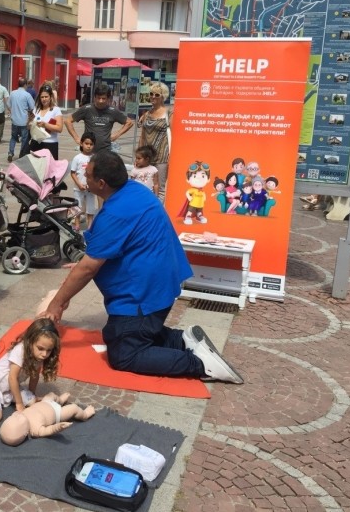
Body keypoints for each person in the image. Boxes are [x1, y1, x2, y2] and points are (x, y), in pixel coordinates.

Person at [38, 150, 244, 384]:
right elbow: (113, 248)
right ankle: (182, 340)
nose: (85, 180)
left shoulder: (115, 212)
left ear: (102, 183)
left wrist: (57, 304)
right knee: (115, 334)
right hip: (162, 281)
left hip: (145, 294)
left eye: (88, 176)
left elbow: (88, 269)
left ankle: (201, 365)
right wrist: (88, 261)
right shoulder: (134, 190)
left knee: (124, 354)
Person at [0, 392, 96, 446]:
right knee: (73, 408)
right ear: (25, 433)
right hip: (58, 413)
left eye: (12, 416)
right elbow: (49, 430)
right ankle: (85, 415)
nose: (16, 415)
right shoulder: (36, 431)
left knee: (51, 395)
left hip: (46, 402)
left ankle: (60, 400)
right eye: (17, 419)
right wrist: (59, 427)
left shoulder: (19, 415)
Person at [65, 83, 132, 153]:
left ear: (108, 99)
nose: (100, 101)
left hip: (105, 151)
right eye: (98, 98)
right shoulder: (87, 109)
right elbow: (68, 121)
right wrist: (76, 138)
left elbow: (129, 122)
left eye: (103, 98)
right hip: (88, 151)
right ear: (94, 97)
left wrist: (117, 134)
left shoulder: (113, 111)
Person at [137, 82, 170, 198]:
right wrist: (138, 154)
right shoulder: (147, 114)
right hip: (146, 156)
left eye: (156, 95)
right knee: (144, 185)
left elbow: (173, 135)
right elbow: (142, 135)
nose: (152, 97)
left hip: (162, 156)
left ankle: (157, 214)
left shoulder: (168, 113)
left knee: (160, 188)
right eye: (151, 94)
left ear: (163, 96)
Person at [70, 132, 98, 231]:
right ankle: (77, 225)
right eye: (86, 143)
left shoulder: (94, 158)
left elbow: (97, 173)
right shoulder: (77, 158)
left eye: (91, 144)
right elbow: (73, 173)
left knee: (90, 208)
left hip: (91, 189)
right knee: (77, 207)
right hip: (78, 188)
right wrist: (79, 184)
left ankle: (90, 226)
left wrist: (93, 185)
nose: (89, 146)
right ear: (81, 143)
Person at [27, 83, 64, 159]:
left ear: (50, 97)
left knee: (49, 169)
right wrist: (30, 121)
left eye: (46, 97)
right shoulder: (36, 109)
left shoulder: (56, 110)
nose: (44, 99)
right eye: (42, 97)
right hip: (35, 143)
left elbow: (59, 128)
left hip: (50, 144)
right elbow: (28, 127)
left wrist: (45, 125)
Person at [7, 78, 35, 161]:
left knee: (13, 138)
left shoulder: (12, 93)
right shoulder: (27, 95)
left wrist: (13, 111)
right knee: (24, 139)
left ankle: (10, 153)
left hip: (14, 120)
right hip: (24, 121)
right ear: (25, 85)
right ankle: (21, 154)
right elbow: (32, 107)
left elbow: (8, 104)